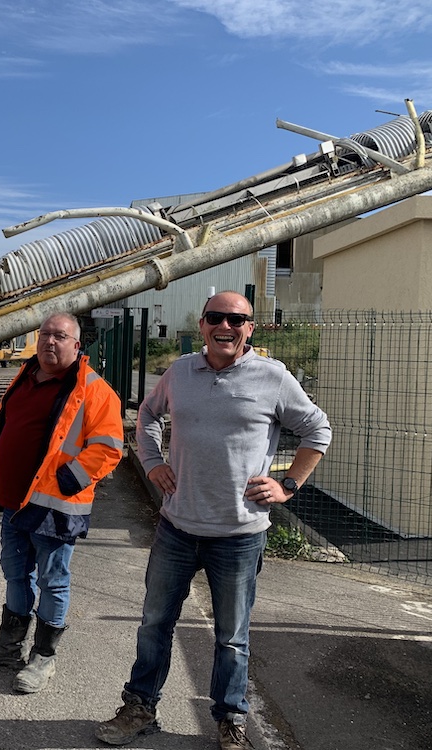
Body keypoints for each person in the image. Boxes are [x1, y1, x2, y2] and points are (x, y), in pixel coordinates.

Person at [95, 291, 332, 750]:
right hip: (176, 529)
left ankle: (229, 719)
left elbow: (318, 429)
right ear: (202, 325)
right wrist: (151, 461)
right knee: (154, 625)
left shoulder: (273, 378)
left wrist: (288, 486)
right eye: (216, 318)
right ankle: (140, 707)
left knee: (232, 639)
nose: (226, 326)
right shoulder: (181, 371)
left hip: (239, 537)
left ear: (250, 328)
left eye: (236, 319)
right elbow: (146, 414)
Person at [0, 311, 124, 694]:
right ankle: (8, 647)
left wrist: (68, 480)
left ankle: (43, 658)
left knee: (53, 581)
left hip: (54, 505)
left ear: (76, 344)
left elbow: (108, 447)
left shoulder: (93, 389)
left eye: (60, 337)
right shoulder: (26, 377)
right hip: (14, 502)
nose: (50, 342)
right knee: (15, 574)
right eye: (45, 335)